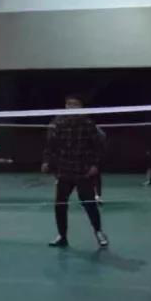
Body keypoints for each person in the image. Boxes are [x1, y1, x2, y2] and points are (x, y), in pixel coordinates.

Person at [42, 94, 109, 248]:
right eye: (69, 104)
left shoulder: (88, 124)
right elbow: (50, 145)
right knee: (60, 204)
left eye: (75, 104)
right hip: (64, 170)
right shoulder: (58, 123)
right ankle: (62, 236)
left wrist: (95, 165)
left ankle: (99, 232)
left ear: (81, 107)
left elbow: (98, 147)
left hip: (83, 171)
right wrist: (46, 161)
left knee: (89, 204)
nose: (71, 106)